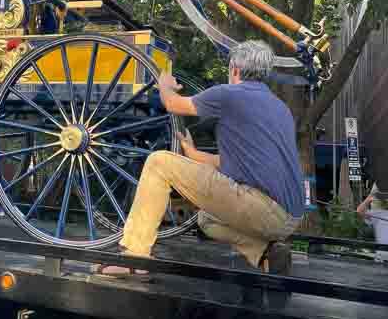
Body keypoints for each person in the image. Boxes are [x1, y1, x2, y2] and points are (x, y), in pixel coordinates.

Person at [96, 40, 304, 277]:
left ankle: (134, 257)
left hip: (263, 208)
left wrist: (164, 84)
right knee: (207, 220)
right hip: (289, 218)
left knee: (158, 162)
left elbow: (173, 104)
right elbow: (239, 163)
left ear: (234, 68)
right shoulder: (279, 107)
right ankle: (266, 253)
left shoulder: (230, 95)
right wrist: (193, 155)